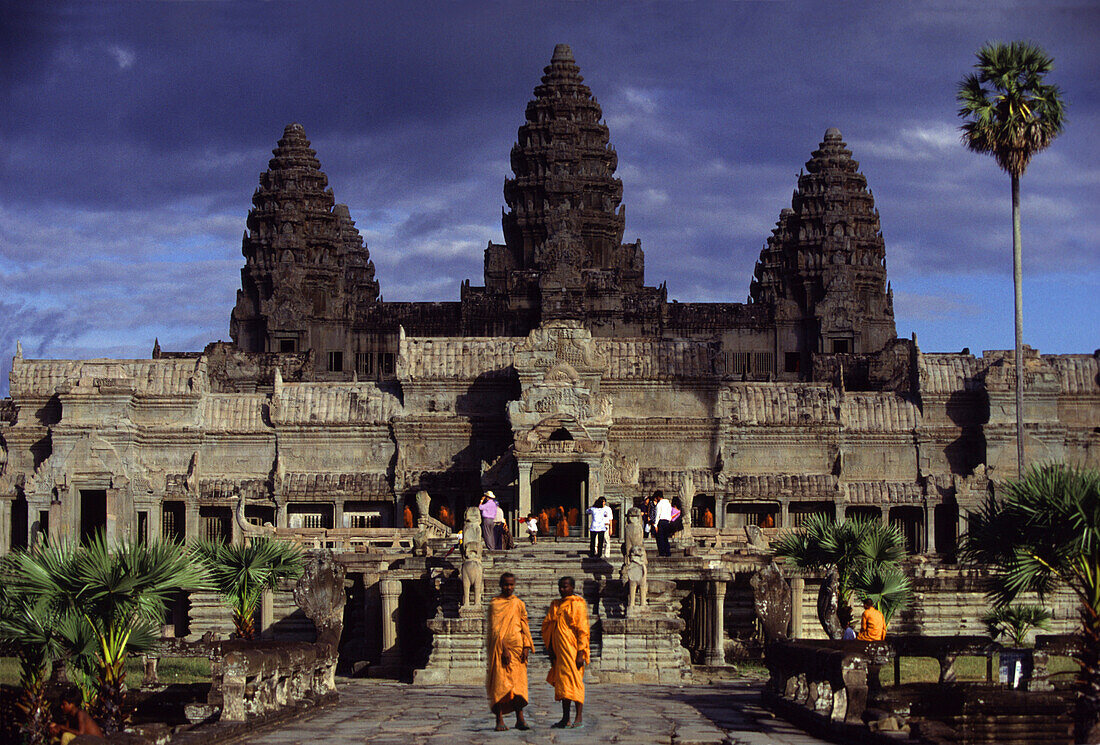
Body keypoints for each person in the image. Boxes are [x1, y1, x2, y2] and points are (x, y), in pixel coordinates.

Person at [487, 572, 534, 731]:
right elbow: (495, 630)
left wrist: (526, 646)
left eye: (511, 584)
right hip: (501, 650)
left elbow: (524, 625)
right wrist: (504, 649)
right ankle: (499, 720)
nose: (509, 587)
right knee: (501, 685)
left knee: (518, 686)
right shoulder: (495, 604)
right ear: (501, 585)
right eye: (506, 584)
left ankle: (520, 718)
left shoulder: (518, 603)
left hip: (518, 649)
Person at [542, 576, 590, 729]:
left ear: (573, 588)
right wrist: (550, 649)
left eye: (566, 587)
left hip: (573, 650)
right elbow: (548, 626)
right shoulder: (555, 605)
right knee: (563, 684)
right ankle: (565, 718)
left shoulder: (577, 604)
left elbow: (583, 629)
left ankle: (579, 716)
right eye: (560, 587)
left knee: (575, 682)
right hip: (559, 651)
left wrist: (581, 652)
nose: (563, 589)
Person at [652, 490, 673, 557]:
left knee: (660, 538)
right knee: (665, 538)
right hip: (667, 522)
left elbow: (657, 515)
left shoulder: (659, 504)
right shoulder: (668, 503)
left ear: (658, 497)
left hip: (661, 522)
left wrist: (655, 525)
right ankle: (667, 552)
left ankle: (662, 552)